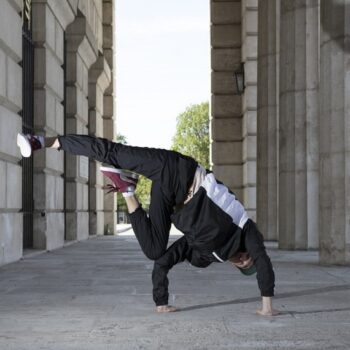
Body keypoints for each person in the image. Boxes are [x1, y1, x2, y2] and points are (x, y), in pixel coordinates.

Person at [17, 133, 278, 316]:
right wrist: (267, 303)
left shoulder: (206, 254)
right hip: (178, 171)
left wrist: (161, 301)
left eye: (244, 265)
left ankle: (128, 191)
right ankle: (42, 141)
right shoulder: (244, 226)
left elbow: (164, 261)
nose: (246, 260)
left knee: (154, 250)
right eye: (249, 260)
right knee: (114, 153)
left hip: (169, 200)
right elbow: (262, 258)